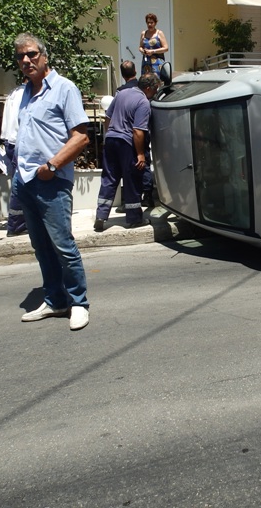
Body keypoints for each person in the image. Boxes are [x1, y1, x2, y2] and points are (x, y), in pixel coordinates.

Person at [12, 33, 91, 331]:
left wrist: (52, 165)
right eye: (21, 56)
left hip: (52, 180)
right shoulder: (23, 94)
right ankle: (55, 300)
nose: (26, 60)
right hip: (26, 180)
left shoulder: (64, 88)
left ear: (44, 56)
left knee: (62, 245)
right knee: (41, 247)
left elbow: (81, 137)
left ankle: (79, 303)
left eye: (31, 54)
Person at [94, 73, 157, 232]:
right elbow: (138, 131)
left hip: (111, 140)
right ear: (148, 88)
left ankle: (101, 216)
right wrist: (141, 154)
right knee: (132, 180)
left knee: (109, 178)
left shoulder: (121, 93)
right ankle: (134, 219)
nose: (155, 93)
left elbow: (107, 117)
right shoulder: (143, 102)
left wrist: (109, 136)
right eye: (155, 89)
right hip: (127, 144)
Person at [0, 82, 27, 236]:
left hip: (9, 141)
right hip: (19, 142)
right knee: (19, 185)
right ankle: (16, 225)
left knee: (19, 184)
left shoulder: (12, 92)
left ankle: (21, 222)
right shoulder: (25, 93)